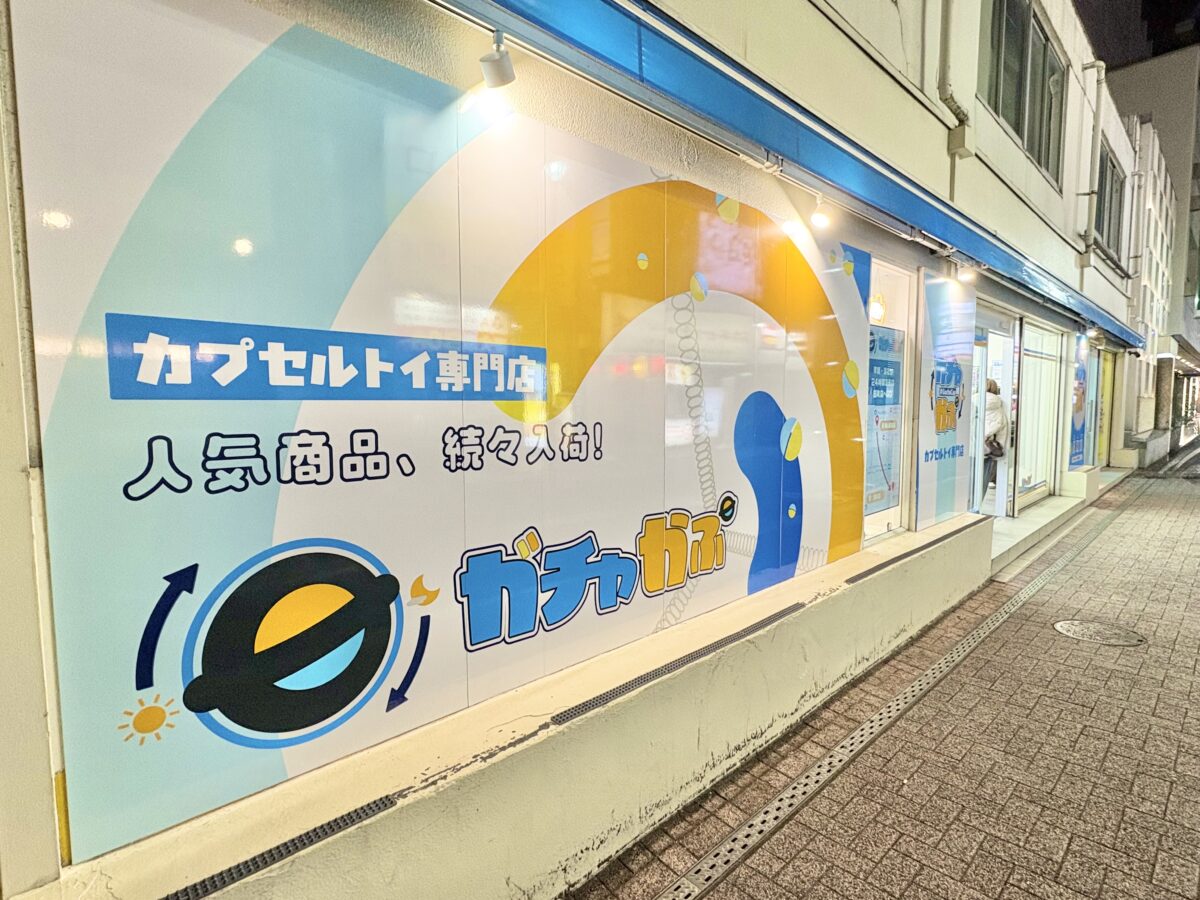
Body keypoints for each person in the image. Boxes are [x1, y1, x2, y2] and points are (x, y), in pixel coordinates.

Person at [983, 378, 1009, 490]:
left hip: (971, 446)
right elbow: (1001, 428)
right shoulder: (999, 406)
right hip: (987, 447)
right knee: (983, 477)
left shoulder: (972, 401)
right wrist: (1000, 446)